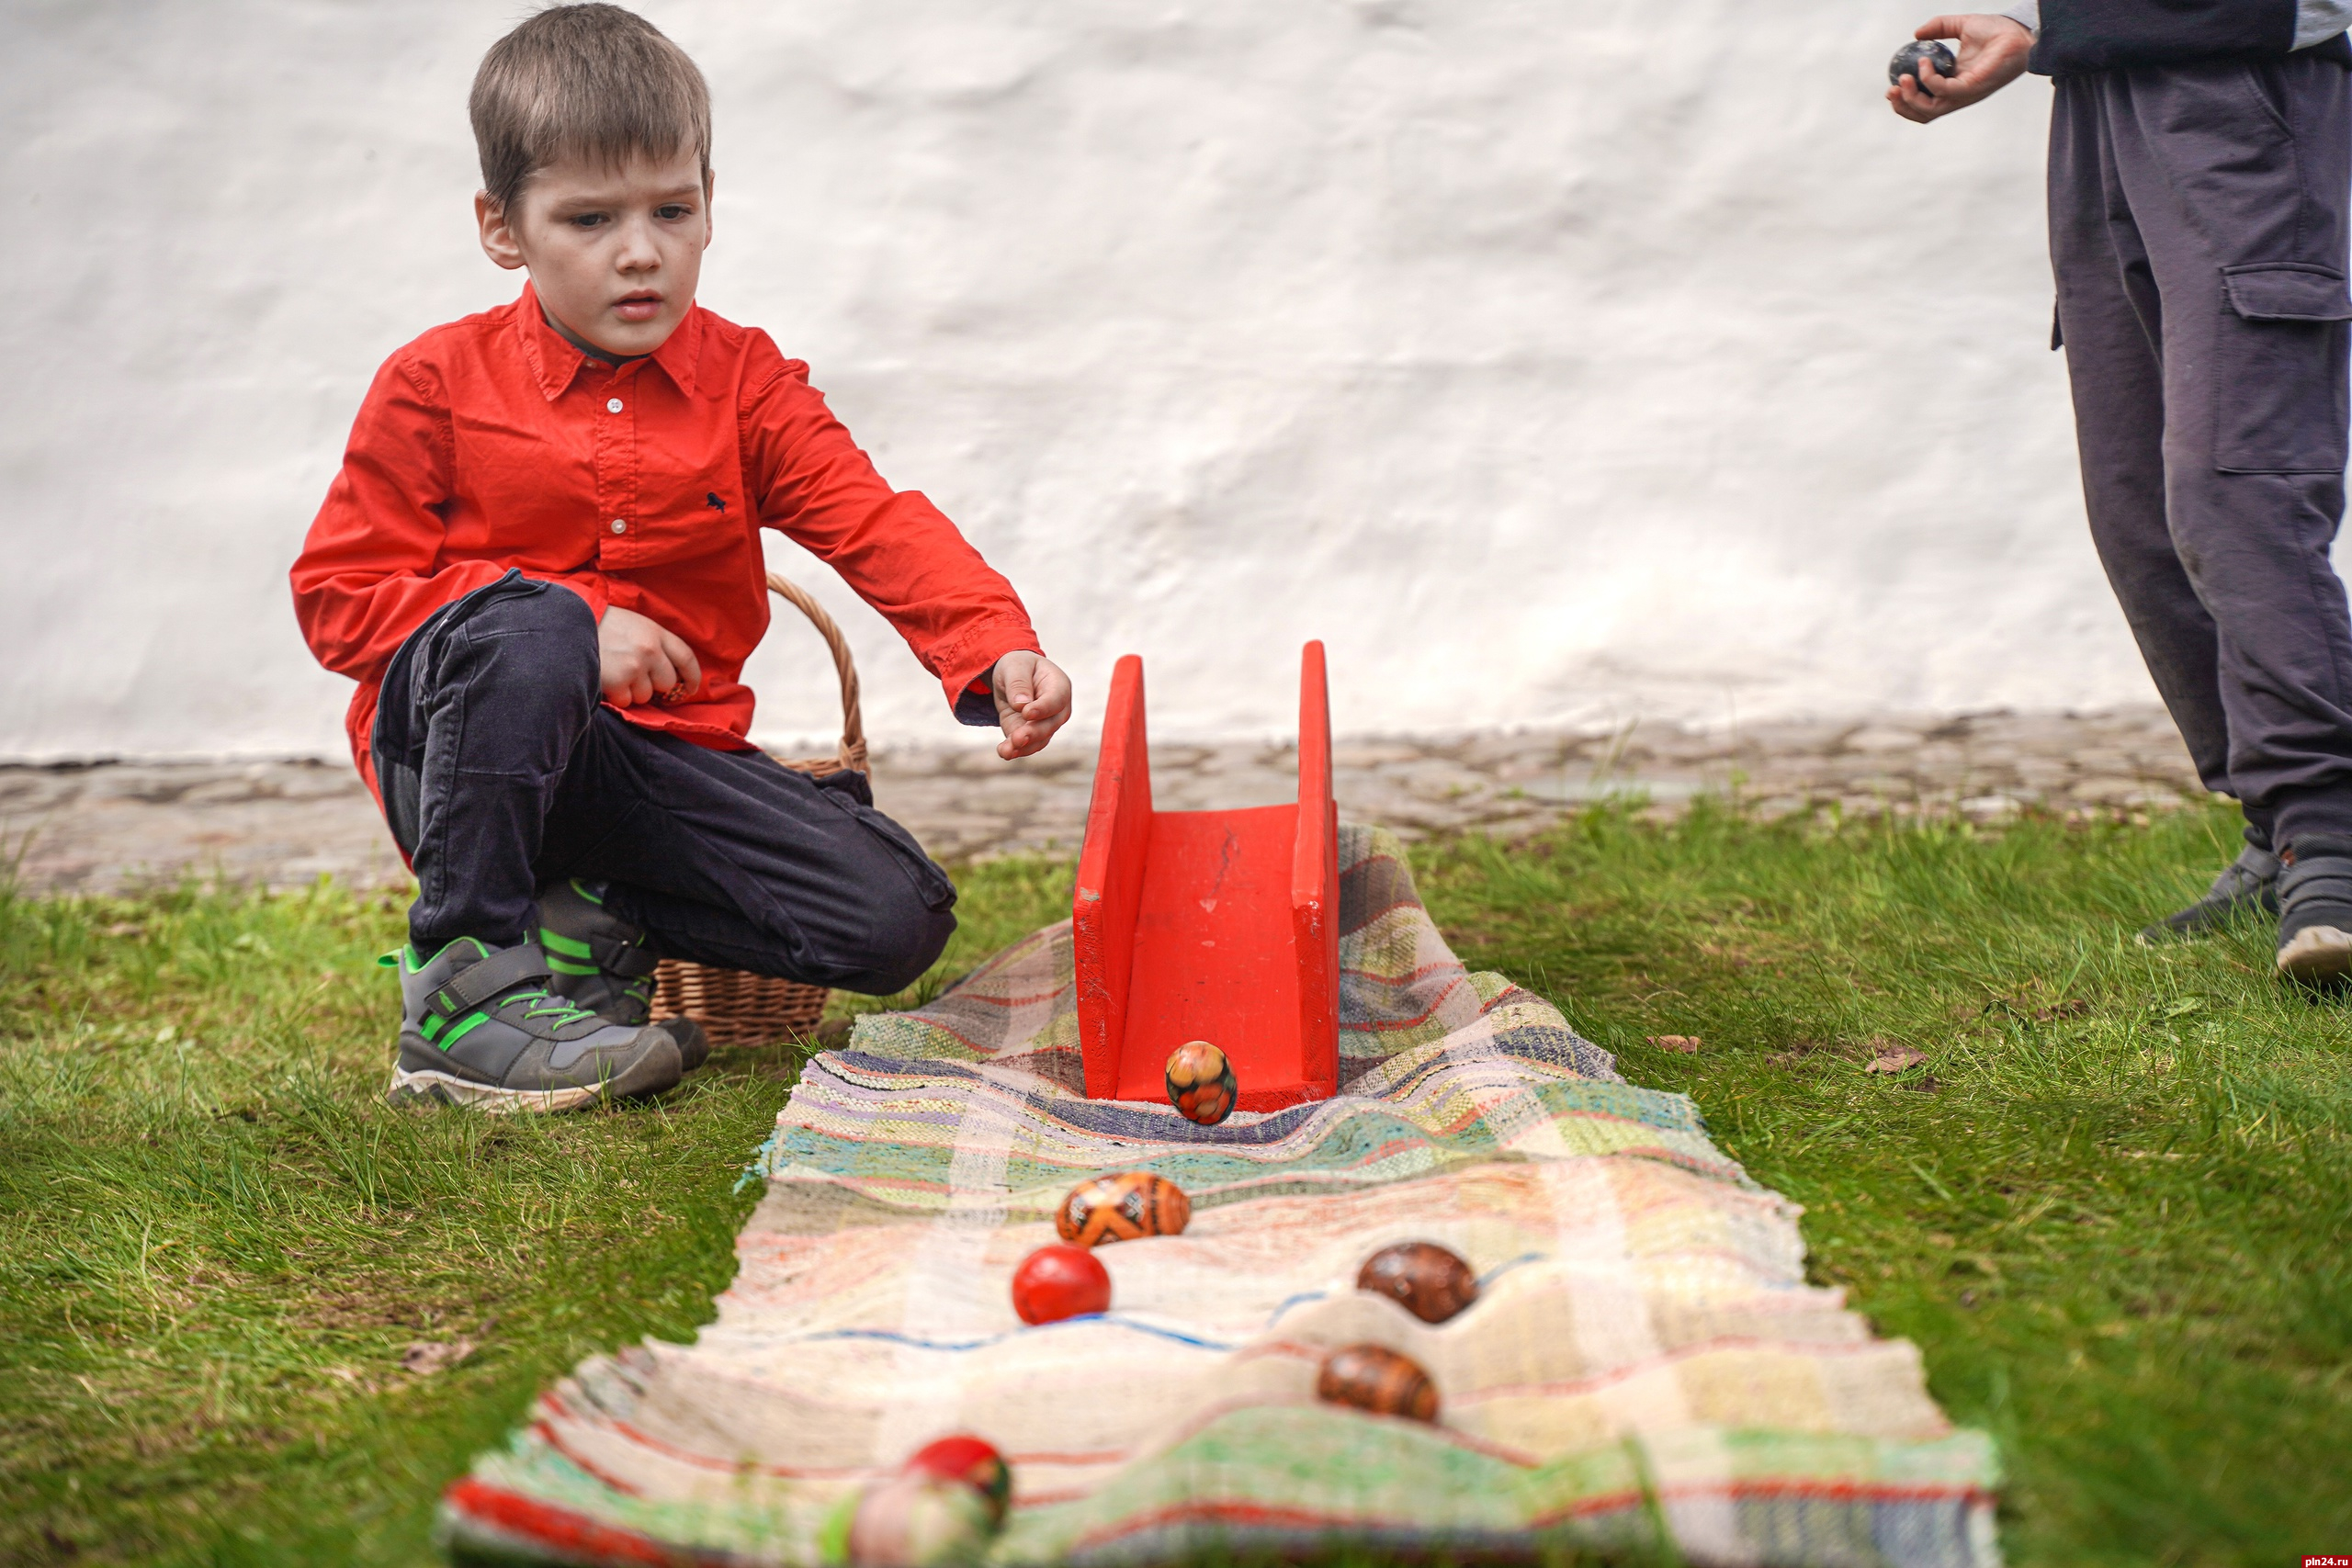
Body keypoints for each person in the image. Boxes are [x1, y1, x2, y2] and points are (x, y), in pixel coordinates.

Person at [290, 5, 1072, 1110]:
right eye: (589, 218)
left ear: (710, 204)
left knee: (894, 917)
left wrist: (992, 645)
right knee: (532, 623)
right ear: (502, 229)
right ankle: (464, 990)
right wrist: (572, 628)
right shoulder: (435, 384)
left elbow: (872, 520)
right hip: (461, 760)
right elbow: (339, 596)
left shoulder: (746, 383)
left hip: (652, 763)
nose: (640, 252)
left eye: (672, 209)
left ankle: (583, 919)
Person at [1888, 2, 2352, 979]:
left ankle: (2329, 830)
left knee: (2240, 488)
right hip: (2098, 101)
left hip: (2244, 95)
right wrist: (2034, 26)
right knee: (2136, 506)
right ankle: (2275, 831)